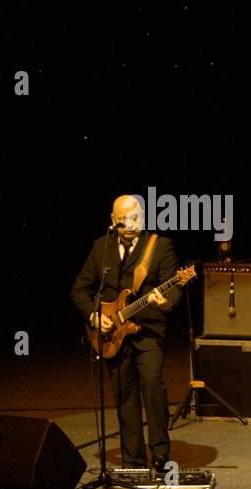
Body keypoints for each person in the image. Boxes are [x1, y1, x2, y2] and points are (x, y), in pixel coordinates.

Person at [70, 194, 181, 472]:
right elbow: (79, 290)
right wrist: (95, 318)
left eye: (136, 218)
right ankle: (132, 460)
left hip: (148, 332)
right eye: (124, 221)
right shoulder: (101, 247)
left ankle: (160, 454)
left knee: (153, 387)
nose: (130, 225)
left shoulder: (160, 246)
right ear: (113, 221)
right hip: (112, 335)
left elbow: (175, 289)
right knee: (124, 396)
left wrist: (163, 300)